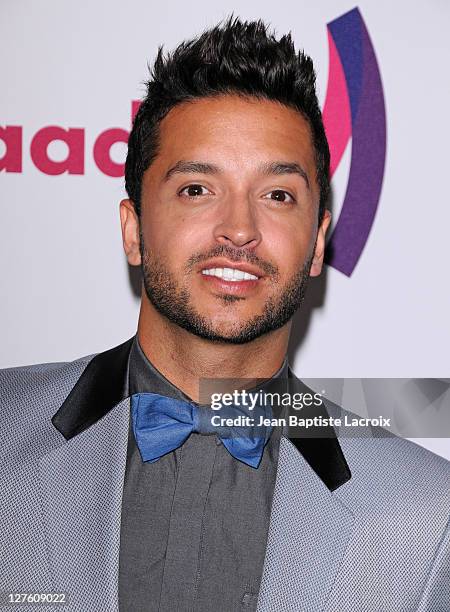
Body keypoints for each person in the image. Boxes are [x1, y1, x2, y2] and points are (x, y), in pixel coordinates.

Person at [1, 16, 449, 612]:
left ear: (318, 244)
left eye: (277, 195)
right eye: (197, 189)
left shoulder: (425, 517)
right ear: (133, 230)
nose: (239, 229)